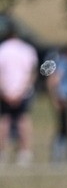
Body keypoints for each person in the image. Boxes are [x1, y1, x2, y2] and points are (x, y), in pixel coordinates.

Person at [0, 21, 39, 166]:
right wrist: (22, 90)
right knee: (23, 120)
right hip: (23, 92)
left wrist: (5, 91)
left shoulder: (2, 49)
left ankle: (2, 153)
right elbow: (32, 73)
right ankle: (25, 153)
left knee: (5, 120)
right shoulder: (27, 50)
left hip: (5, 92)